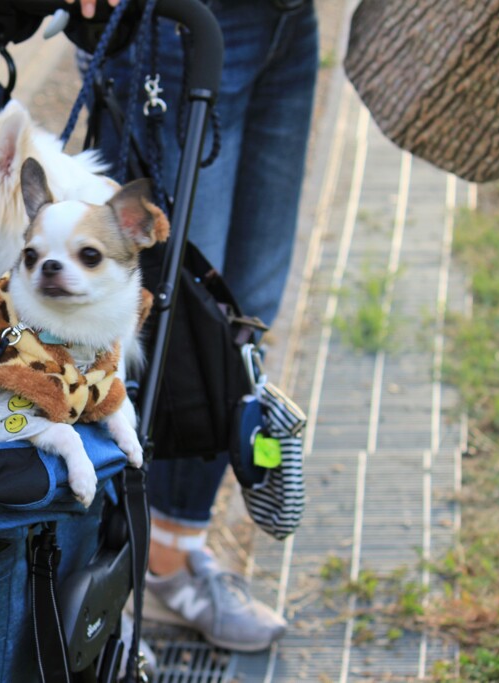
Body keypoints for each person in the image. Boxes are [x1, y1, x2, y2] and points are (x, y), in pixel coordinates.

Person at [70, 0, 319, 653]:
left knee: (242, 306)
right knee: (158, 314)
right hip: (176, 27)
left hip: (288, 18)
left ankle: (172, 558)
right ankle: (105, 570)